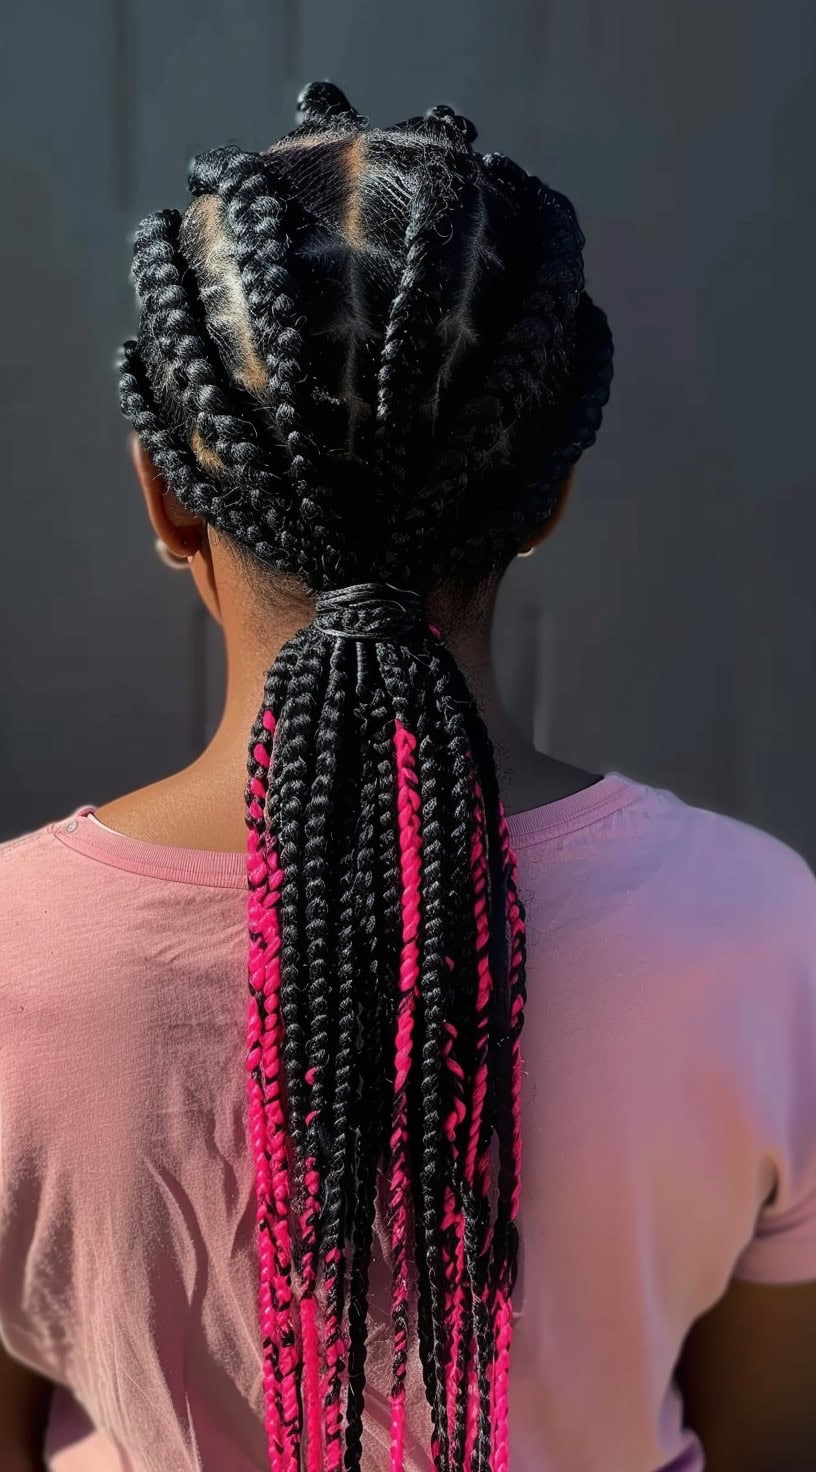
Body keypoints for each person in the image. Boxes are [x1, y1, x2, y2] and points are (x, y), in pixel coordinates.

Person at [1, 80, 815, 1472]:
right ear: (546, 491)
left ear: (165, 494)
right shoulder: (756, 928)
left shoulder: (15, 951)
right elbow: (770, 1435)